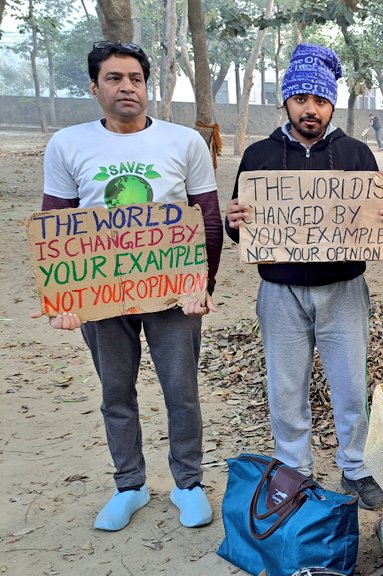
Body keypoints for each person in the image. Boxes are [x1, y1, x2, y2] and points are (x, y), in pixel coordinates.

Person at [36, 40, 222, 531]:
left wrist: (202, 285)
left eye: (135, 79)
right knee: (116, 393)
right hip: (100, 299)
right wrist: (61, 299)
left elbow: (207, 218)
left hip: (172, 294)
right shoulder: (68, 144)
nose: (126, 88)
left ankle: (188, 483)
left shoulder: (184, 142)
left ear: (146, 85)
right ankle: (130, 486)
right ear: (94, 86)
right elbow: (58, 224)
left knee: (181, 391)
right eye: (114, 79)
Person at [225, 43, 383, 510]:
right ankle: (294, 470)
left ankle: (356, 467)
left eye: (320, 101)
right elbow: (241, 233)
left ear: (331, 105)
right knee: (285, 385)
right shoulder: (258, 156)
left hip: (343, 290)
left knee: (350, 385)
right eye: (301, 99)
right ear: (286, 101)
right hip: (280, 292)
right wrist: (234, 221)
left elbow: (374, 222)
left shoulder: (357, 154)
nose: (310, 109)